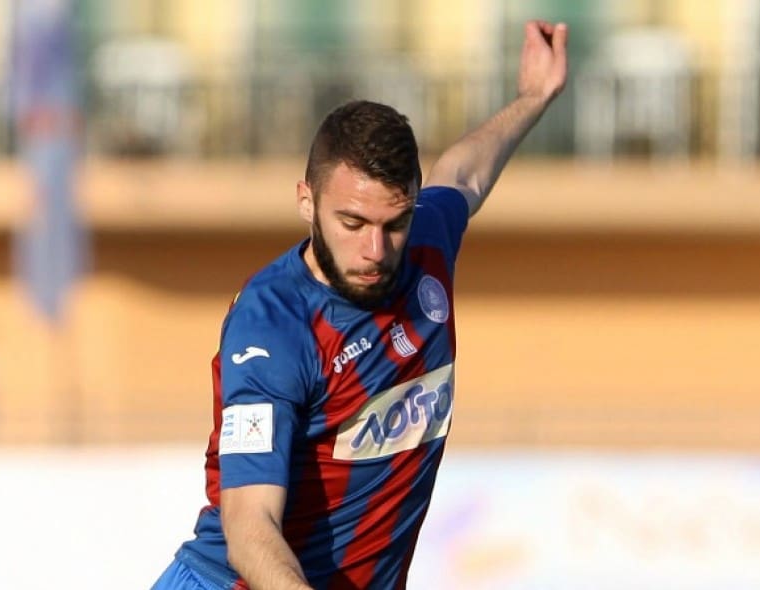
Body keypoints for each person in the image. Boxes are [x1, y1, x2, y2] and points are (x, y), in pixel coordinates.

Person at [154, 19, 568, 590]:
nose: (375, 249)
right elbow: (249, 528)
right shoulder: (272, 326)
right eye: (352, 223)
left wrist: (532, 97)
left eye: (393, 223)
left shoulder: (425, 243)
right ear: (307, 201)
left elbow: (464, 173)